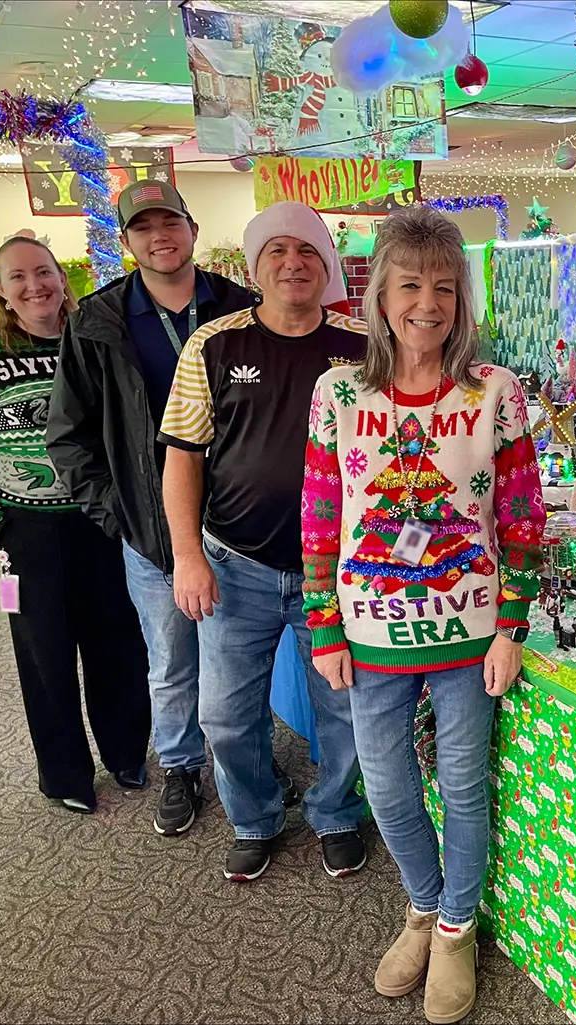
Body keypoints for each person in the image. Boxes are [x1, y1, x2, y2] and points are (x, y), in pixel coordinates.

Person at [303, 206, 544, 1024]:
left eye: (444, 287)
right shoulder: (338, 393)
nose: (427, 304)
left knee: (464, 785)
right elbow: (320, 513)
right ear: (381, 295)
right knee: (387, 785)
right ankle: (423, 902)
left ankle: (454, 929)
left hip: (469, 632)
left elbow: (522, 515)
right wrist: (323, 623)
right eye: (410, 285)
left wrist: (511, 625)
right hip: (368, 630)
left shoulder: (495, 391)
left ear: (461, 299)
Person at [48, 181, 303, 837]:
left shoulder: (242, 305)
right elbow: (68, 435)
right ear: (127, 241)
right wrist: (121, 514)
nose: (159, 236)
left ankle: (250, 765)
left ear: (192, 229)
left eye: (170, 222)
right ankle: (182, 767)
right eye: (143, 227)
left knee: (239, 667)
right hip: (153, 531)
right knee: (172, 661)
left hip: (242, 530)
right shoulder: (97, 323)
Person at [158, 202, 367, 883]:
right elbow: (183, 456)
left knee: (343, 705)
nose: (292, 263)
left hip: (336, 570)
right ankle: (255, 817)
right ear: (255, 267)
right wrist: (187, 556)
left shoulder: (365, 345)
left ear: (326, 265)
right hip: (235, 564)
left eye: (307, 251)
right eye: (276, 251)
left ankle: (336, 812)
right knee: (224, 714)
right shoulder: (213, 345)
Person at [0, 235, 150, 813]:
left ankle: (126, 752)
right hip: (29, 530)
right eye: (18, 276)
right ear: (1, 290)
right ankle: (64, 775)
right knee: (46, 655)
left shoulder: (93, 337)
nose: (34, 285)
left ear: (62, 278)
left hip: (103, 520)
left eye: (43, 272)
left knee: (118, 644)